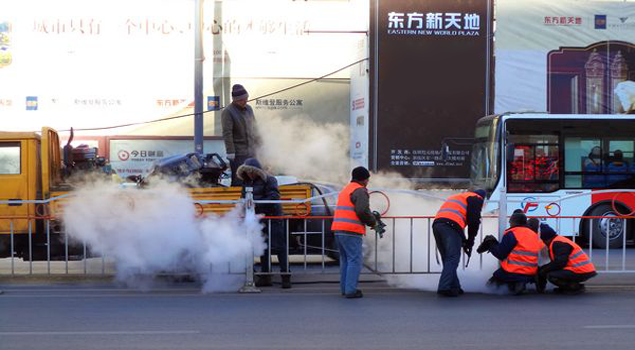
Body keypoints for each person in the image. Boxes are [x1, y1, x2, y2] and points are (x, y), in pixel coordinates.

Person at [237, 158, 290, 289]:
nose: (249, 174)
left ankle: (286, 277)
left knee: (279, 247)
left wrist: (255, 204)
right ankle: (266, 277)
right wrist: (242, 209)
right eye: (247, 171)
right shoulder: (246, 182)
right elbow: (244, 199)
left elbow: (274, 197)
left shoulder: (270, 180)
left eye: (251, 171)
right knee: (263, 248)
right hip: (259, 217)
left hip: (273, 217)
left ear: (257, 171)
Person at [332, 166, 377, 299]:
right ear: (364, 179)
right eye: (368, 179)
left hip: (338, 229)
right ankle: (351, 290)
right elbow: (362, 210)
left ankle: (345, 289)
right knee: (355, 260)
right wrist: (373, 221)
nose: (368, 182)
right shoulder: (360, 190)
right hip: (351, 230)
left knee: (345, 260)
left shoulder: (346, 190)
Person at [432, 189, 485, 297]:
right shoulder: (476, 198)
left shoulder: (458, 196)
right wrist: (470, 241)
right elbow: (474, 221)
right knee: (452, 258)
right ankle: (444, 287)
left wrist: (464, 240)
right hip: (451, 225)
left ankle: (455, 286)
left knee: (447, 258)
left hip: (438, 224)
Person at [477, 211, 543, 295]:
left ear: (514, 221)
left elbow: (501, 254)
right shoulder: (533, 235)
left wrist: (491, 244)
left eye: (510, 220)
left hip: (513, 270)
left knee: (490, 285)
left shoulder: (513, 233)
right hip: (531, 271)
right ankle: (519, 284)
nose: (509, 222)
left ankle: (515, 284)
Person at [537, 224, 597, 294]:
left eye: (543, 241)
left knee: (551, 275)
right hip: (580, 269)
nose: (544, 243)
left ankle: (574, 287)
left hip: (581, 270)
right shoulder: (557, 241)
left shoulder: (558, 244)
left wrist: (543, 270)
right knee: (549, 271)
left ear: (547, 239)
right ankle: (569, 286)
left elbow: (560, 263)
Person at [221, 84, 261, 186]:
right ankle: (237, 200)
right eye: (243, 99)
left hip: (252, 151)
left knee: (254, 178)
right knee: (239, 179)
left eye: (246, 98)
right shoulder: (228, 112)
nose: (246, 101)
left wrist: (260, 143)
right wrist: (230, 152)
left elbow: (255, 127)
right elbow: (227, 133)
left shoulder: (249, 109)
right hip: (238, 153)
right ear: (236, 100)